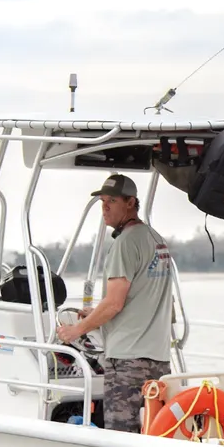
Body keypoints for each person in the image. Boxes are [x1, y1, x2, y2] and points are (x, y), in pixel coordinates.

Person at [56, 172, 175, 433]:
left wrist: (77, 329)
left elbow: (114, 304)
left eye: (112, 200)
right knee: (155, 431)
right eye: (102, 201)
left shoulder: (124, 243)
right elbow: (147, 298)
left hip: (127, 361)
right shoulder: (157, 241)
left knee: (121, 434)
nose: (105, 207)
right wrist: (94, 312)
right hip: (159, 360)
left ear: (131, 202)